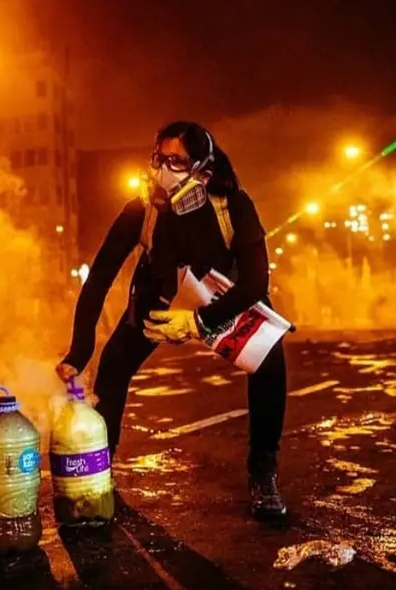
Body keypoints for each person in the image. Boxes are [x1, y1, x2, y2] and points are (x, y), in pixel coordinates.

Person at [56, 121, 289, 519]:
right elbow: (98, 279)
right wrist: (80, 351)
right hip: (159, 300)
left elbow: (254, 283)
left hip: (220, 301)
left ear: (204, 167)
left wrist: (200, 322)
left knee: (270, 363)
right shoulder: (142, 210)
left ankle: (263, 470)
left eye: (177, 161)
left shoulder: (234, 205)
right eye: (159, 159)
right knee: (112, 367)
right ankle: (102, 468)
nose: (164, 170)